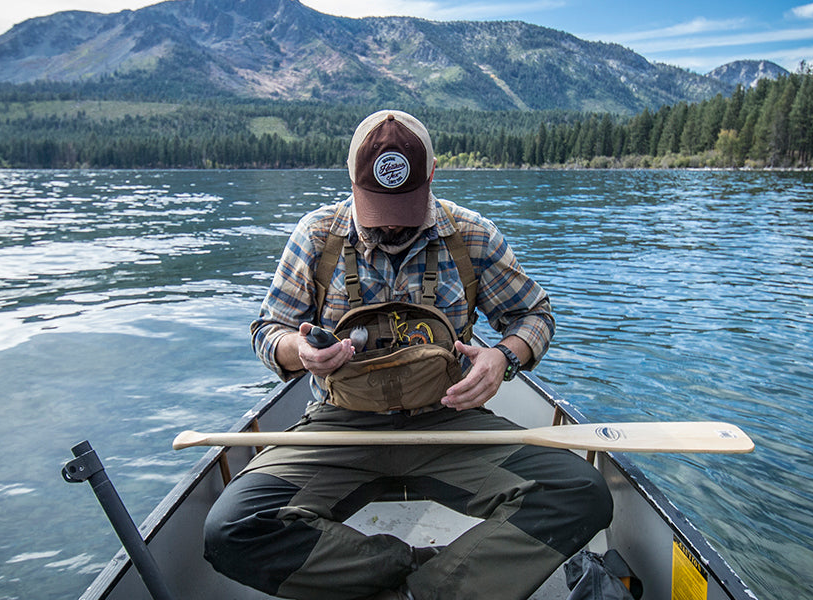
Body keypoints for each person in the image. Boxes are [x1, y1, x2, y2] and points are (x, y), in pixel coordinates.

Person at [203, 110, 612, 600]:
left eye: (405, 207)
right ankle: (413, 573)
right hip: (338, 429)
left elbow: (534, 315)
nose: (393, 224)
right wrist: (300, 351)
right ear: (351, 179)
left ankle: (425, 592)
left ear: (432, 174)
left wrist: (504, 356)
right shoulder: (316, 236)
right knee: (232, 529)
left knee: (582, 493)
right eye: (378, 209)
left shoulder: (472, 235)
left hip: (449, 423)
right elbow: (268, 331)